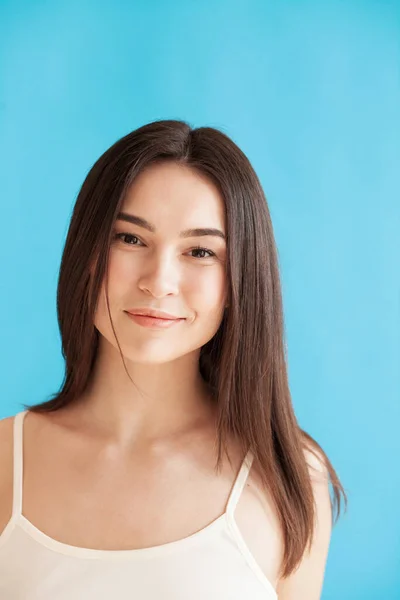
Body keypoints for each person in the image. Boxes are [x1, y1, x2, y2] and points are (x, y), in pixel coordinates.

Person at [0, 120, 347, 599]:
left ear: (240, 282)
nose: (159, 281)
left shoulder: (290, 475)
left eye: (200, 251)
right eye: (130, 239)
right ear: (86, 252)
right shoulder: (3, 458)